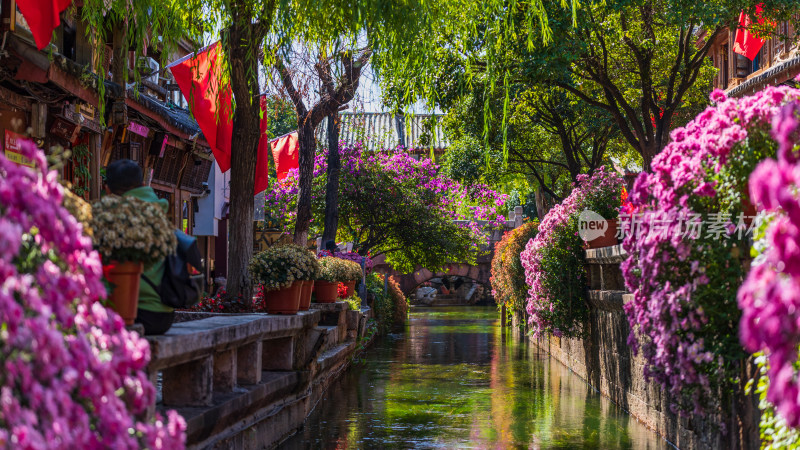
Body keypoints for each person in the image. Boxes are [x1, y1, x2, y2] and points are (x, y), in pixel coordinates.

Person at [104, 159, 199, 334]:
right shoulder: (160, 216)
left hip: (131, 313)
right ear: (142, 185)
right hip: (164, 315)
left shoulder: (112, 219)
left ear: (107, 189)